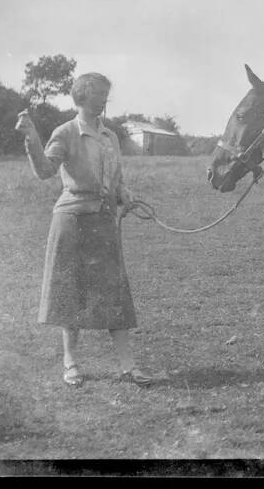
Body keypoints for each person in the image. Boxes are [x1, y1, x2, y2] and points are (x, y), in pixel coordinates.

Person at [15, 72, 159, 387]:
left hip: (104, 221)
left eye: (107, 94)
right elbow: (44, 171)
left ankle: (128, 366)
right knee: (71, 294)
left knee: (115, 294)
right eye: (100, 94)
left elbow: (115, 180)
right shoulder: (65, 132)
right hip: (72, 220)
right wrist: (32, 137)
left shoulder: (110, 136)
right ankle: (71, 364)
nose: (105, 100)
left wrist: (124, 193)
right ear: (83, 96)